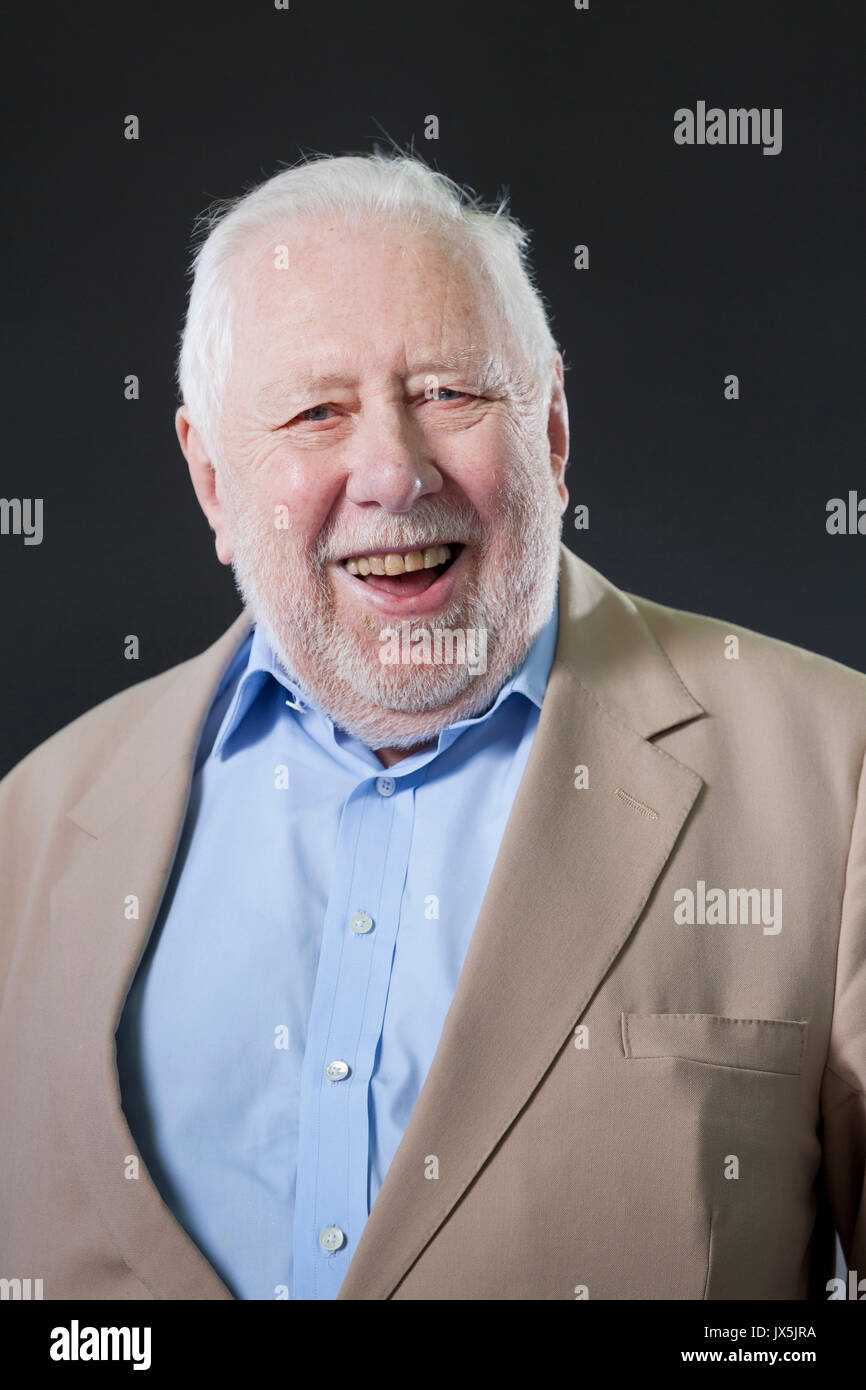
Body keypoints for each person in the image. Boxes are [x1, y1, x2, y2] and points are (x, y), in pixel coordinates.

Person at [1, 152, 863, 1301]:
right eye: (316, 412)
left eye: (449, 392)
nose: (392, 473)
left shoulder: (836, 773)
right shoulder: (32, 827)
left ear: (551, 430)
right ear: (211, 482)